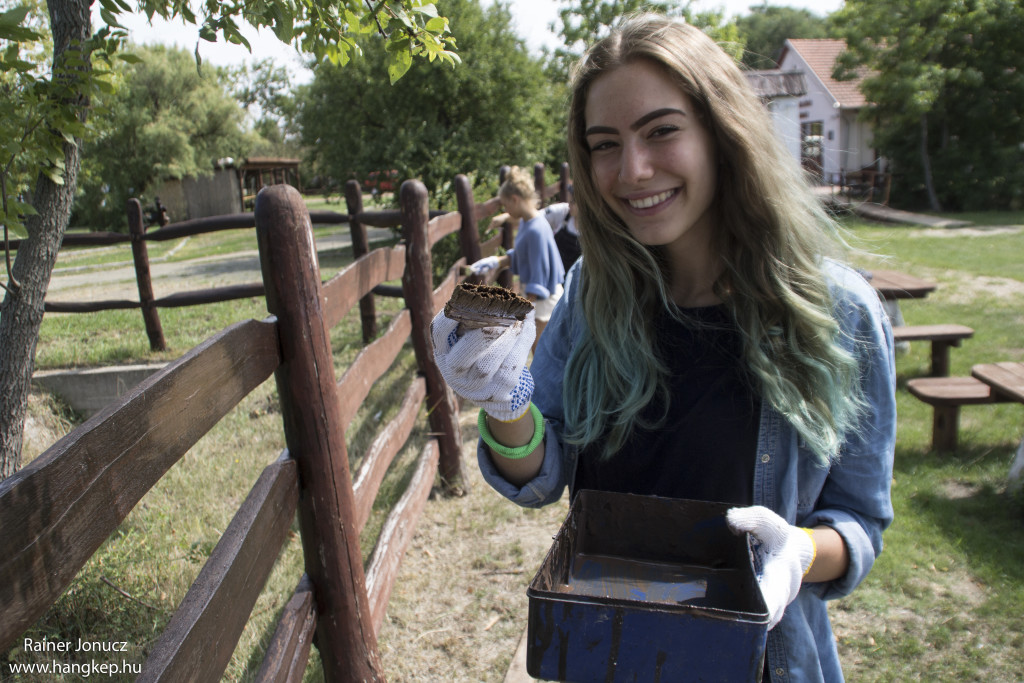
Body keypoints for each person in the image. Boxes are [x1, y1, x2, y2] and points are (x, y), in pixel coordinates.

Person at [432, 14, 895, 682]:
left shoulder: (839, 311)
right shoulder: (591, 290)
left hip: (756, 664)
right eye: (604, 143)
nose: (632, 169)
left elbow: (858, 522)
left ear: (721, 131)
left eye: (662, 130)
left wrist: (799, 550)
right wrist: (504, 398)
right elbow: (545, 465)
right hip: (601, 654)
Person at [468, 166, 565, 349]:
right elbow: (524, 256)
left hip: (544, 298)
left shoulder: (536, 229)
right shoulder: (527, 222)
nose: (505, 210)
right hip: (539, 295)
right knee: (539, 351)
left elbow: (539, 272)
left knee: (541, 352)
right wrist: (497, 261)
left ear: (515, 199)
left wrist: (526, 307)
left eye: (506, 205)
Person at [542, 186, 582, 272]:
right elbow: (536, 218)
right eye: (569, 201)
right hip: (554, 273)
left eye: (572, 202)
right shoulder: (564, 212)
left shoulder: (594, 229)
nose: (569, 205)